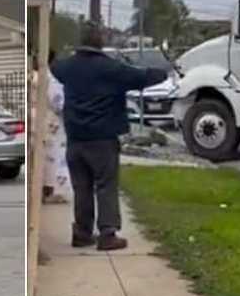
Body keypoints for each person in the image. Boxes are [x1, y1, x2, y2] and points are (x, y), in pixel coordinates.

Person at [51, 24, 168, 251]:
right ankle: (107, 234)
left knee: (81, 187)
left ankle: (82, 232)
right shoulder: (111, 69)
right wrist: (163, 72)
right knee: (105, 185)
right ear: (99, 42)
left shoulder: (66, 68)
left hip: (75, 139)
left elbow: (53, 68)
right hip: (102, 138)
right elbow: (142, 77)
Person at [43, 50, 71, 204]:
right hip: (52, 123)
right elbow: (58, 103)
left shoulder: (39, 76)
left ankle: (48, 188)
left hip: (43, 121)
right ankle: (55, 190)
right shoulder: (51, 79)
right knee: (55, 157)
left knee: (47, 158)